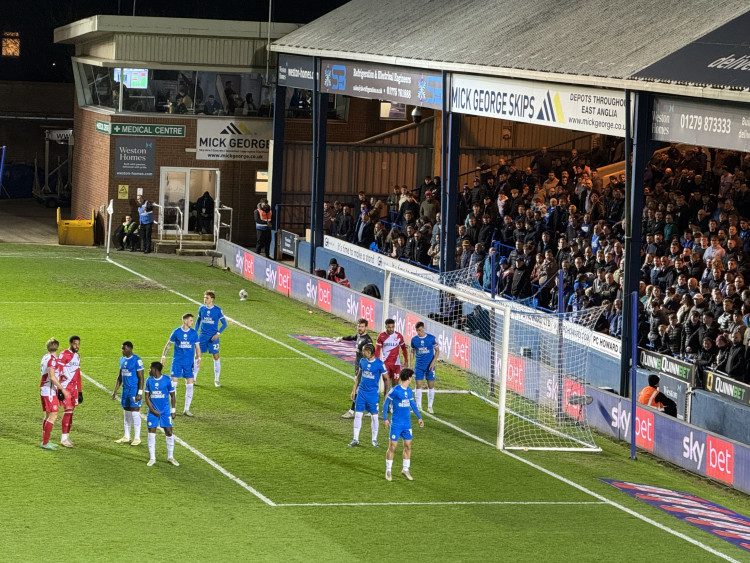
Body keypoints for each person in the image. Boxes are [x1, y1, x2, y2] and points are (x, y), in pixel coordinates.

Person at [382, 368, 424, 481]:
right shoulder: (395, 390)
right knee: (392, 447)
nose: (412, 379)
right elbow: (386, 404)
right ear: (409, 378)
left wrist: (419, 417)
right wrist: (385, 419)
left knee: (408, 446)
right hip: (396, 424)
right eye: (412, 377)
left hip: (407, 424)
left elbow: (413, 405)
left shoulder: (409, 391)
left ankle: (405, 469)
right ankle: (388, 470)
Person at [161, 313, 201, 417]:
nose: (192, 322)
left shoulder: (193, 333)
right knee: (173, 385)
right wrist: (163, 356)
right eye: (191, 320)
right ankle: (172, 408)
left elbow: (197, 347)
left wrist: (199, 358)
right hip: (177, 362)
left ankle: (186, 409)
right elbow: (168, 345)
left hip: (189, 363)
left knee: (190, 385)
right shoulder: (176, 332)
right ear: (185, 321)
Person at [348, 344, 386, 448]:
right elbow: (359, 375)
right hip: (361, 393)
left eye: (364, 351)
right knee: (358, 415)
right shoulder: (362, 361)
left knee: (374, 417)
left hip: (373, 394)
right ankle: (355, 439)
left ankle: (374, 440)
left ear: (369, 352)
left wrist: (386, 393)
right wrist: (354, 390)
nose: (362, 352)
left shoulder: (379, 364)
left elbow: (386, 379)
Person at [335, 318, 373, 419]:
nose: (359, 328)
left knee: (357, 389)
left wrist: (367, 368)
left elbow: (370, 355)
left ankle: (352, 411)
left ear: (366, 327)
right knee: (365, 388)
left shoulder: (367, 341)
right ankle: (371, 408)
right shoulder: (359, 336)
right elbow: (352, 337)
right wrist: (341, 338)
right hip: (357, 365)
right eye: (358, 326)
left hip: (363, 368)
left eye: (362, 326)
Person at [144, 362, 179, 467]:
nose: (149, 370)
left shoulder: (167, 380)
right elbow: (146, 397)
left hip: (165, 411)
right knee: (151, 433)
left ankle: (170, 457)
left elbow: (172, 395)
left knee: (169, 432)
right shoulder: (149, 380)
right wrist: (153, 410)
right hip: (152, 411)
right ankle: (152, 458)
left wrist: (173, 410)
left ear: (155, 369)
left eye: (150, 369)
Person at [111, 341, 145, 446]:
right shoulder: (122, 360)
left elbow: (141, 377)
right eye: (122, 349)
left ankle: (137, 438)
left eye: (124, 349)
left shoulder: (137, 360)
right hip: (125, 390)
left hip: (134, 390)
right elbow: (120, 376)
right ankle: (126, 436)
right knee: (126, 413)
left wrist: (139, 392)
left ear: (130, 348)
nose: (122, 351)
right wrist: (115, 390)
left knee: (135, 412)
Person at [39, 338, 69, 450]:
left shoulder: (45, 357)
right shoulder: (52, 360)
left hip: (44, 388)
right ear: (57, 347)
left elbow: (49, 374)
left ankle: (45, 440)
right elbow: (51, 377)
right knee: (54, 414)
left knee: (47, 415)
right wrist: (62, 389)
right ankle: (45, 442)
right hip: (49, 390)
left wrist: (60, 376)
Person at [195, 290, 227, 387]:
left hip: (213, 337)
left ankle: (216, 380)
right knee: (197, 356)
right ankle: (194, 378)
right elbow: (198, 321)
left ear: (212, 299)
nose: (205, 299)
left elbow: (224, 324)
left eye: (207, 298)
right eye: (204, 297)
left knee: (216, 357)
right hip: (202, 336)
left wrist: (217, 334)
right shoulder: (201, 309)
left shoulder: (217, 310)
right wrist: (195, 332)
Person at [57, 335, 82, 448]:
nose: (77, 346)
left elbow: (78, 374)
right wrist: (59, 389)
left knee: (71, 413)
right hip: (65, 387)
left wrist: (80, 391)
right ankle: (63, 438)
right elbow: (58, 371)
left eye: (78, 344)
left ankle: (66, 437)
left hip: (74, 388)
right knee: (68, 410)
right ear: (70, 343)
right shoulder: (64, 355)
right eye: (75, 344)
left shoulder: (77, 356)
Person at [376, 318, 409, 400]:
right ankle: (385, 403)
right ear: (385, 327)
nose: (391, 329)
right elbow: (377, 350)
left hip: (396, 364)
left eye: (392, 327)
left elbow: (403, 349)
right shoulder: (381, 336)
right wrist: (376, 362)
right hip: (386, 364)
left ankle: (393, 404)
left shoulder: (399, 336)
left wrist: (406, 360)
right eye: (389, 327)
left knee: (395, 384)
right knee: (387, 383)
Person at [410, 322, 440, 414]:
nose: (419, 332)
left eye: (421, 330)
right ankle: (418, 406)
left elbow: (437, 351)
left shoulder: (431, 338)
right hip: (419, 366)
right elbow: (412, 352)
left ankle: (430, 406)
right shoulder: (414, 340)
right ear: (416, 330)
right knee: (418, 385)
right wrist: (410, 365)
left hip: (430, 366)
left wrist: (433, 362)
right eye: (418, 330)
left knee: (431, 385)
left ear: (423, 328)